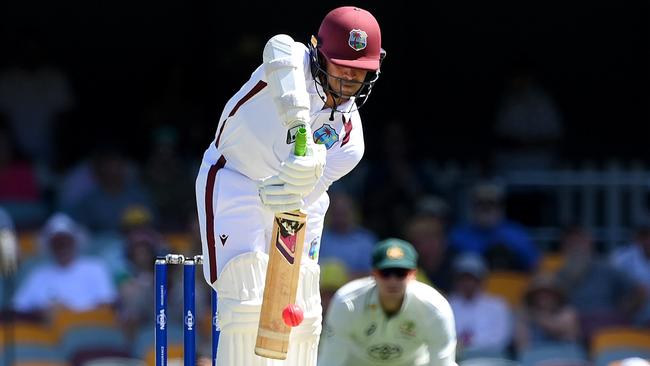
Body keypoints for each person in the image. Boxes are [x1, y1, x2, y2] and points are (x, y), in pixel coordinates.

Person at [194, 6, 385, 365]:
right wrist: (301, 133)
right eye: (341, 64)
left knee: (302, 306)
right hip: (235, 178)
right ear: (318, 53)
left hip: (294, 200)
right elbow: (277, 46)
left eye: (359, 71)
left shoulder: (350, 142)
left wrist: (300, 183)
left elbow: (310, 192)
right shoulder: (292, 59)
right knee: (245, 298)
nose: (348, 77)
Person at [318, 238, 456, 366]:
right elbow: (330, 360)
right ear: (373, 273)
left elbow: (443, 363)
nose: (393, 280)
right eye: (386, 273)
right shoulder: (347, 302)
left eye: (400, 273)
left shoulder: (434, 308)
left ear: (413, 274)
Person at [12, 213, 117, 313]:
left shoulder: (95, 267)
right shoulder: (38, 275)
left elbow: (107, 306)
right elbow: (17, 308)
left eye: (66, 241)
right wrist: (41, 312)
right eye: (57, 242)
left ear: (75, 241)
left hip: (89, 327)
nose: (62, 246)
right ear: (50, 245)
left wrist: (68, 313)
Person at [448, 252, 512, 358]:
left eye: (471, 278)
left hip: (492, 359)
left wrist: (469, 343)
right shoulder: (447, 304)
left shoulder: (497, 305)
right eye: (463, 278)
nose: (467, 283)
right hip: (456, 359)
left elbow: (502, 338)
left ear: (481, 280)